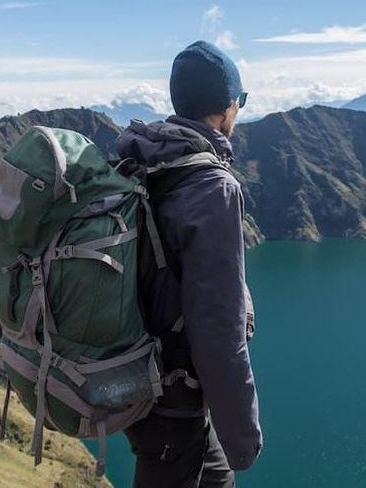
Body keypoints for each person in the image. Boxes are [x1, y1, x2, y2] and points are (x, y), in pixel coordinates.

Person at [112, 41, 262, 487]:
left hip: (136, 372)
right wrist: (244, 438)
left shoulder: (143, 155)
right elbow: (219, 327)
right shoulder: (211, 188)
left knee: (215, 477)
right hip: (169, 397)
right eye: (240, 100)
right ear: (227, 107)